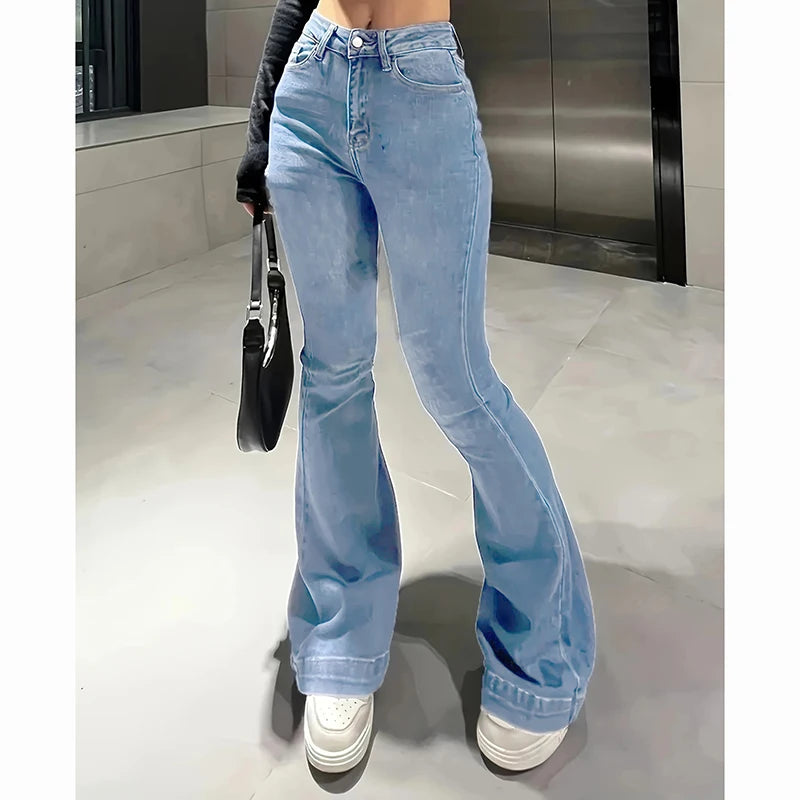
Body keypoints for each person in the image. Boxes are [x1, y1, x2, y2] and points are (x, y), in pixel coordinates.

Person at [236, 0, 596, 774]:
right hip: (312, 81)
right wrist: (260, 129)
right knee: (333, 377)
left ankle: (541, 643)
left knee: (456, 378)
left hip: (420, 80)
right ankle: (340, 635)